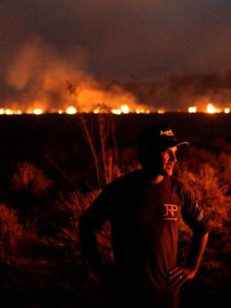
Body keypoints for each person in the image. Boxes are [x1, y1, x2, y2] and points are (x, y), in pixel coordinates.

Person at [79, 124, 210, 308]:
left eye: (175, 152)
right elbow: (86, 224)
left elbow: (202, 226)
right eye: (167, 152)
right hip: (127, 294)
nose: (174, 158)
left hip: (166, 295)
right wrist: (97, 268)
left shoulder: (179, 190)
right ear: (145, 152)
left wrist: (192, 268)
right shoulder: (120, 189)